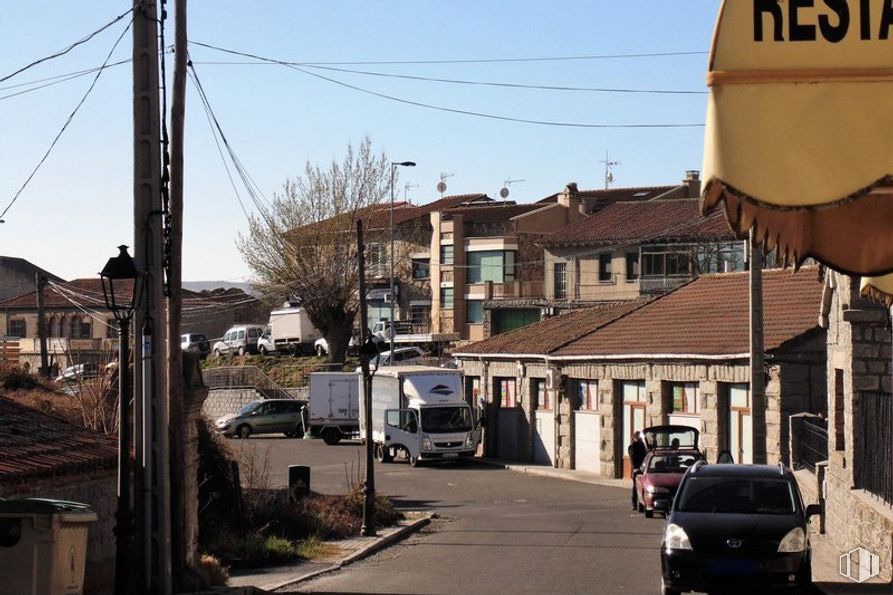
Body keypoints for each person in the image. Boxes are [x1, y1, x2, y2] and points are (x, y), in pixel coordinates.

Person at [628, 430, 648, 510]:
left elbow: (645, 455)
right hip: (636, 469)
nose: (640, 439)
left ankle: (641, 503)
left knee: (641, 486)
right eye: (638, 437)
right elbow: (633, 457)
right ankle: (634, 503)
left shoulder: (642, 445)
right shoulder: (632, 446)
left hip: (643, 468)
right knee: (635, 486)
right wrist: (636, 468)